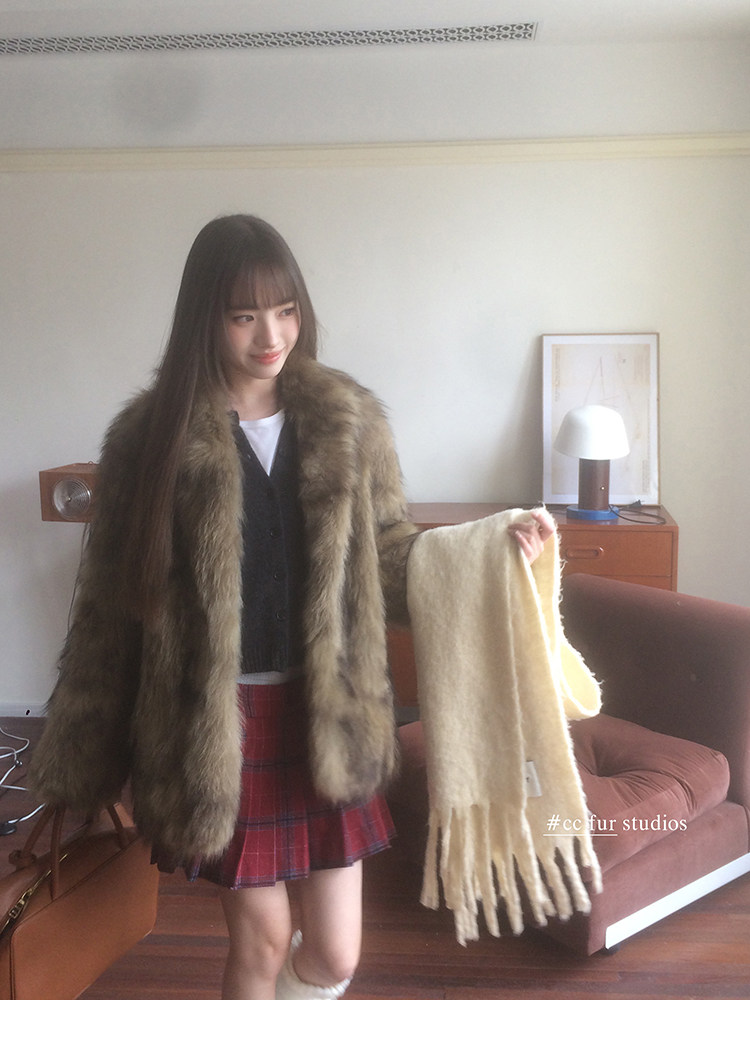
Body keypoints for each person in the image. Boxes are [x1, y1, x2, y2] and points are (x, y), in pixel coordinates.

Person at [29, 214, 555, 999]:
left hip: (329, 715)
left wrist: (489, 550)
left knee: (336, 955)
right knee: (264, 939)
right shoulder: (151, 437)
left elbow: (389, 554)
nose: (270, 335)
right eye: (243, 315)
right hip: (214, 730)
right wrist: (85, 763)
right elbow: (108, 609)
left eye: (284, 310)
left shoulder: (347, 420)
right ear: (205, 318)